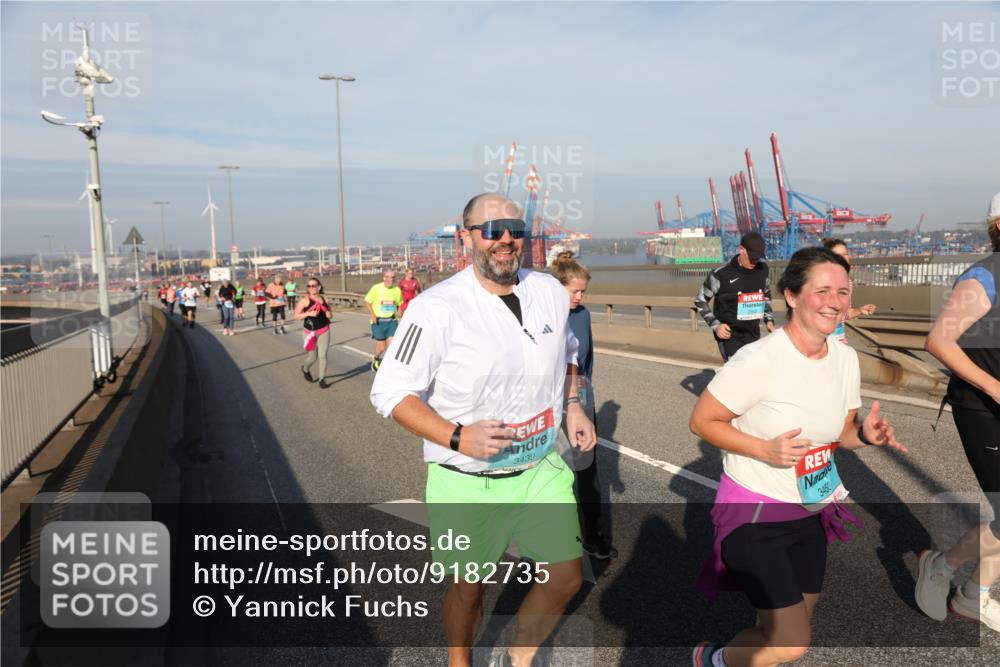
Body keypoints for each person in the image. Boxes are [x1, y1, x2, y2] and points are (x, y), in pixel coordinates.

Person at [370, 193, 596, 667]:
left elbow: (569, 353)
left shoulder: (551, 292)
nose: (506, 239)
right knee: (469, 591)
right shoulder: (435, 308)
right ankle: (459, 661)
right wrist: (456, 435)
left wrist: (573, 405)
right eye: (492, 230)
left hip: (539, 467)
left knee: (567, 577)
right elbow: (389, 391)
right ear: (467, 237)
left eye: (515, 228)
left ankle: (519, 655)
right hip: (467, 478)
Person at [689, 246, 906, 667]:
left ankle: (723, 658)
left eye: (843, 292)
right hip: (756, 512)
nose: (835, 301)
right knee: (792, 642)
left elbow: (839, 434)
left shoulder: (845, 359)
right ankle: (712, 662)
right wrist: (763, 449)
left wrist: (864, 434)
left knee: (785, 629)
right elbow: (703, 422)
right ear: (791, 295)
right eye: (822, 290)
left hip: (810, 511)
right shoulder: (759, 359)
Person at [915, 192, 1000, 633]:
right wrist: (994, 386)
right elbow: (939, 342)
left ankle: (973, 597)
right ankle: (942, 567)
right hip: (982, 408)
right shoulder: (985, 277)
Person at [549, 251, 616, 560]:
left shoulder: (583, 314)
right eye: (574, 291)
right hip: (545, 403)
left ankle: (593, 536)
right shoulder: (541, 315)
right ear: (556, 286)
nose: (579, 297)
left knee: (587, 473)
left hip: (579, 399)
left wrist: (585, 404)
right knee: (549, 471)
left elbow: (587, 362)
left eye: (582, 292)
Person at [694, 231, 776, 362]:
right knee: (738, 376)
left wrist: (769, 320)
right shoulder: (720, 275)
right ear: (741, 250)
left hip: (753, 334)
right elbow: (700, 300)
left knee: (752, 376)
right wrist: (716, 326)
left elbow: (765, 295)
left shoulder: (763, 270)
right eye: (752, 256)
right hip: (729, 336)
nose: (755, 261)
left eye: (758, 257)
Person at [820, 238, 877, 345]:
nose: (844, 258)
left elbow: (844, 314)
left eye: (845, 254)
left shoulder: (848, 283)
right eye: (838, 255)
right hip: (822, 343)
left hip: (840, 342)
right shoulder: (819, 281)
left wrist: (860, 310)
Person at [295, 277, 333, 388]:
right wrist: (308, 314)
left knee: (323, 356)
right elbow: (296, 316)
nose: (311, 288)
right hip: (309, 333)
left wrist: (329, 315)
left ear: (319, 287)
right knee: (313, 357)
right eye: (309, 286)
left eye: (313, 285)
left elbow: (330, 313)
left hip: (324, 331)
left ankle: (322, 379)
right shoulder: (305, 301)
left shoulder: (325, 299)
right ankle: (305, 368)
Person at [364, 269, 403, 371]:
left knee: (392, 346)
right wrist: (372, 315)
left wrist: (400, 314)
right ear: (384, 277)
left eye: (392, 277)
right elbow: (367, 302)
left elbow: (399, 304)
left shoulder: (397, 290)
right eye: (388, 277)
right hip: (378, 321)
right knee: (382, 347)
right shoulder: (376, 288)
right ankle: (376, 358)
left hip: (391, 321)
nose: (390, 279)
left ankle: (389, 367)